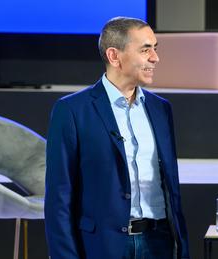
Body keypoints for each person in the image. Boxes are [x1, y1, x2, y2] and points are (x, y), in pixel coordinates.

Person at [45, 17, 190, 259]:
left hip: (159, 243)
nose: (155, 58)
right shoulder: (72, 110)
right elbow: (59, 198)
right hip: (102, 246)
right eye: (145, 50)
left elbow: (171, 190)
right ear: (114, 56)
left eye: (155, 49)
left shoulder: (161, 109)